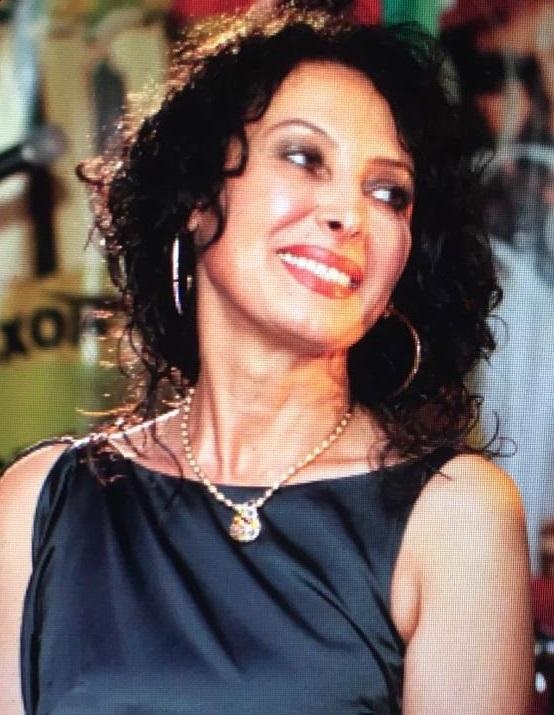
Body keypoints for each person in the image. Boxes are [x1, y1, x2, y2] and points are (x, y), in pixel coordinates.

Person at [0, 8, 533, 714]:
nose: (348, 214)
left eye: (388, 193)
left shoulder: (454, 514)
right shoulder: (39, 504)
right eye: (304, 157)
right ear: (196, 196)